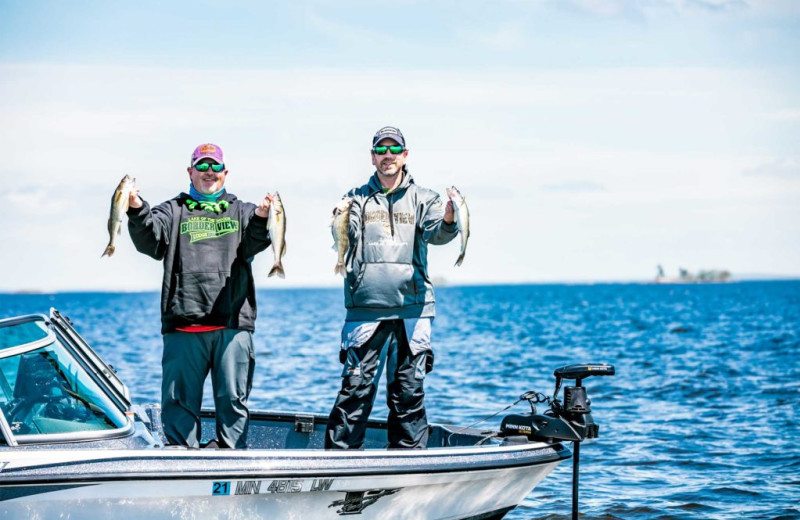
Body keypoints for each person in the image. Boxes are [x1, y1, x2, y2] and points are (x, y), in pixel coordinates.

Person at [126, 143, 273, 449]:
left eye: (215, 167)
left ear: (225, 172)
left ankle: (231, 467)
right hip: (183, 327)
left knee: (233, 402)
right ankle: (182, 465)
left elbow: (253, 246)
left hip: (232, 326)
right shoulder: (172, 210)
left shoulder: (243, 211)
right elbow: (149, 243)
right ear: (190, 171)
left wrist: (261, 218)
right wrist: (136, 208)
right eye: (202, 166)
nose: (209, 173)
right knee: (178, 406)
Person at [325, 126, 458, 450]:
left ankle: (408, 465)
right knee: (355, 390)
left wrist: (451, 220)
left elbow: (436, 234)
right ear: (373, 157)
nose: (388, 156)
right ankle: (339, 463)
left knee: (408, 392)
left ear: (404, 155)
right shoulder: (354, 198)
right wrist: (339, 222)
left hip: (412, 309)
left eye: (394, 150)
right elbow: (349, 233)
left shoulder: (426, 198)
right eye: (381, 150)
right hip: (365, 308)